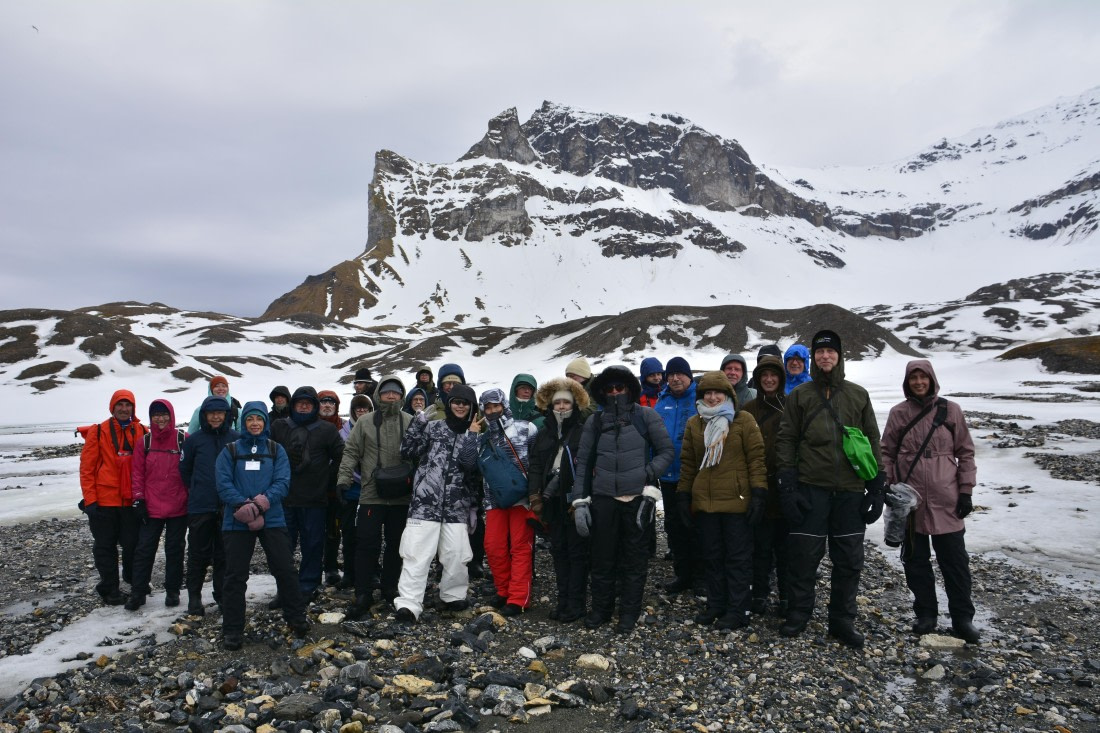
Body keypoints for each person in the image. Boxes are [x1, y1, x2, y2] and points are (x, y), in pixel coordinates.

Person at [775, 329, 886, 649]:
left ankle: (841, 620)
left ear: (839, 356)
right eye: (820, 352)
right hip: (811, 487)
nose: (826, 356)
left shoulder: (857, 395)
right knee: (803, 557)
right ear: (814, 357)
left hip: (850, 490)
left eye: (831, 352)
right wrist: (787, 485)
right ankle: (799, 613)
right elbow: (787, 439)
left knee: (849, 560)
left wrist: (877, 487)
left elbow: (871, 440)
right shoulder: (801, 396)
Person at [570, 365, 674, 634]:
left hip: (637, 499)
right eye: (610, 388)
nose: (615, 392)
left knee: (635, 560)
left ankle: (629, 613)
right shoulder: (595, 421)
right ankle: (601, 610)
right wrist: (579, 501)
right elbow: (584, 463)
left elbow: (666, 451)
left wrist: (646, 474)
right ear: (603, 392)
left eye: (620, 387)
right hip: (603, 498)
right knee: (602, 558)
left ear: (630, 388)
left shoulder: (645, 416)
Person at [881, 360, 979, 643]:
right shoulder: (899, 413)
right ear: (907, 382)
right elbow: (886, 451)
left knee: (955, 562)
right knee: (915, 561)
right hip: (910, 502)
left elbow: (966, 453)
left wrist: (966, 491)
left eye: (924, 377)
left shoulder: (951, 411)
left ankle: (962, 618)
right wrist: (888, 486)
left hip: (947, 499)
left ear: (932, 379)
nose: (919, 382)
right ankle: (926, 614)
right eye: (914, 378)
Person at [215, 402, 310, 650]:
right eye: (249, 419)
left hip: (272, 517)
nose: (255, 423)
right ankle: (233, 629)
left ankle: (296, 618)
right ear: (243, 422)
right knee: (235, 575)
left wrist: (259, 504)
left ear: (265, 423)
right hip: (236, 520)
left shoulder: (275, 450)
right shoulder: (230, 450)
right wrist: (242, 505)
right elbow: (223, 482)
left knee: (285, 568)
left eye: (258, 419)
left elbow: (283, 481)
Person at [677, 371, 767, 630]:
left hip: (737, 503)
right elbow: (689, 463)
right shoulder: (695, 423)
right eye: (708, 393)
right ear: (701, 396)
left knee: (738, 558)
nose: (713, 397)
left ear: (728, 395)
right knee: (712, 556)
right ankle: (716, 603)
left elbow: (756, 459)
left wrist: (759, 493)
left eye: (719, 392)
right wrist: (684, 496)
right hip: (706, 503)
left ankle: (738, 609)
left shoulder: (743, 420)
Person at [395, 384, 480, 622]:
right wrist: (418, 423)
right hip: (424, 505)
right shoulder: (433, 428)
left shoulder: (474, 435)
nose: (460, 406)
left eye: (465, 403)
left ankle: (453, 595)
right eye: (456, 401)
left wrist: (473, 506)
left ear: (472, 407)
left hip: (456, 509)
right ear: (449, 403)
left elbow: (472, 471)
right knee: (416, 555)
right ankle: (409, 604)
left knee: (457, 555)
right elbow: (407, 450)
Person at [338, 377, 414, 617]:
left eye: (396, 392)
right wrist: (343, 479)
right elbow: (351, 451)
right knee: (366, 544)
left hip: (402, 495)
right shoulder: (365, 422)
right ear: (379, 394)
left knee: (396, 545)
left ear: (401, 396)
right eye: (387, 392)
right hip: (371, 493)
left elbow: (421, 455)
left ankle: (390, 587)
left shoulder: (411, 422)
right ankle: (363, 592)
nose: (391, 396)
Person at [463, 387, 538, 616]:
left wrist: (537, 495)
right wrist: (472, 435)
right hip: (494, 499)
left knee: (520, 548)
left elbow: (538, 462)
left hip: (522, 499)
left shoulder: (526, 428)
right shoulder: (483, 436)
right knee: (493, 547)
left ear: (504, 405)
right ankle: (503, 590)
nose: (493, 410)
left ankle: (518, 598)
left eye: (496, 406)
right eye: (488, 407)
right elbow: (467, 464)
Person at [270, 386, 344, 604]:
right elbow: (268, 454)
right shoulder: (279, 426)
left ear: (314, 406)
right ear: (293, 405)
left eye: (308, 403)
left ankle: (308, 586)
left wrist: (328, 477)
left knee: (312, 545)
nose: (304, 406)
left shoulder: (327, 430)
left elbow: (342, 455)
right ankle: (284, 588)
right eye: (299, 403)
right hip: (285, 499)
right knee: (283, 548)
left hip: (315, 499)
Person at [528, 377, 591, 623]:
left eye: (566, 402)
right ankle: (563, 600)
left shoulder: (584, 431)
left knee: (577, 553)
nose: (562, 406)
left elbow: (588, 466)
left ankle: (576, 604)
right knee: (559, 552)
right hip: (550, 501)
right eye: (558, 403)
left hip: (574, 501)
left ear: (574, 404)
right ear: (551, 405)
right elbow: (535, 466)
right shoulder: (544, 434)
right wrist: (535, 495)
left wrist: (583, 499)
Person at [79, 389, 148, 605]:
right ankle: (110, 589)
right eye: (120, 404)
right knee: (105, 547)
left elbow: (148, 468)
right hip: (104, 502)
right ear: (112, 407)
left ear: (133, 408)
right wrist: (90, 501)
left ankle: (132, 578)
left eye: (128, 405)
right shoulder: (98, 432)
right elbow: (87, 469)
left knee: (133, 545)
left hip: (130, 501)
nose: (124, 409)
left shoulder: (143, 432)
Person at [127, 399, 189, 611]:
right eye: (156, 415)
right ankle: (138, 592)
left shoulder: (183, 439)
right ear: (151, 417)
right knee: (144, 550)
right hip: (151, 507)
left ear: (171, 416)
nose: (160, 419)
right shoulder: (144, 442)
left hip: (178, 506)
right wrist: (138, 499)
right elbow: (137, 473)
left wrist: (191, 499)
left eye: (164, 414)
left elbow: (191, 472)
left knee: (175, 549)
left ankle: (173, 591)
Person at [179, 395, 238, 615]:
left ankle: (222, 595)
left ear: (227, 415)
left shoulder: (236, 439)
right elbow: (184, 470)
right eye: (211, 413)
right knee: (197, 555)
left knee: (224, 554)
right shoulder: (194, 440)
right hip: (200, 507)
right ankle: (194, 597)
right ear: (204, 415)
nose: (215, 416)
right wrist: (197, 488)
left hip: (228, 507)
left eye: (220, 412)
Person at [740, 354, 790, 616]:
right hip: (757, 488)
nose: (769, 379)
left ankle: (786, 598)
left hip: (785, 489)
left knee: (785, 549)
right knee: (759, 547)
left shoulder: (792, 405)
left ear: (781, 378)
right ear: (758, 379)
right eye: (764, 375)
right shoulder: (748, 409)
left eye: (774, 375)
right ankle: (759, 594)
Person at [654, 356, 700, 594]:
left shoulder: (700, 399)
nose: (674, 378)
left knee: (696, 525)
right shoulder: (661, 403)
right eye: (670, 374)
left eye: (679, 373)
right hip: (669, 476)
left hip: (694, 476)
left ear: (689, 376)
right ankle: (683, 574)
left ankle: (701, 576)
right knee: (674, 525)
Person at [333, 393, 373, 591]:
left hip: (371, 489)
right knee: (348, 533)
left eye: (365, 408)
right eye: (358, 409)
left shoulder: (376, 428)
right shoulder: (343, 433)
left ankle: (371, 571)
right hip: (351, 489)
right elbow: (343, 458)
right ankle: (349, 573)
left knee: (369, 535)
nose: (361, 411)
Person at [318, 390, 348, 587]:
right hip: (314, 489)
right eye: (323, 402)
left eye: (331, 403)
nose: (327, 406)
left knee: (334, 530)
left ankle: (330, 567)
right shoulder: (311, 427)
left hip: (336, 488)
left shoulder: (345, 428)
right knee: (313, 531)